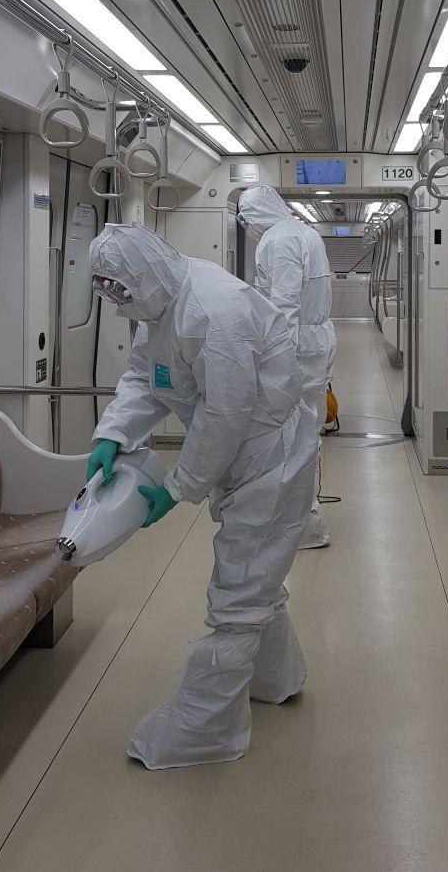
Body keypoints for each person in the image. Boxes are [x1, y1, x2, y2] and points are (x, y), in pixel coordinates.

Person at [87, 222, 318, 770]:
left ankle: (206, 730)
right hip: (242, 458)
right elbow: (145, 377)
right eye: (110, 292)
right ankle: (274, 677)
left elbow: (225, 414)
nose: (121, 302)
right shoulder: (161, 306)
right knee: (256, 572)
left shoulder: (216, 311)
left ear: (147, 272)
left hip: (270, 460)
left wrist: (177, 487)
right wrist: (113, 432)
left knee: (239, 584)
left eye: (123, 289)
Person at [237, 185, 336, 549]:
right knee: (306, 434)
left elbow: (284, 306)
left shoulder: (280, 240)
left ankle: (299, 524)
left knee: (293, 440)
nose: (246, 225)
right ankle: (302, 517)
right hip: (313, 347)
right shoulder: (305, 233)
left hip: (296, 352)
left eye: (247, 216)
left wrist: (276, 360)